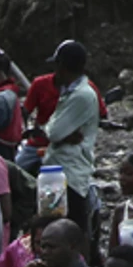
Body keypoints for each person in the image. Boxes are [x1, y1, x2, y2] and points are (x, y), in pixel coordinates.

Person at [39, 40, 99, 242]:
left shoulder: (81, 95)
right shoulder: (72, 92)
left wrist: (53, 131)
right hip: (57, 168)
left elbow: (53, 132)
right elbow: (54, 128)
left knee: (70, 228)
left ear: (62, 66)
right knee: (51, 222)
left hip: (70, 171)